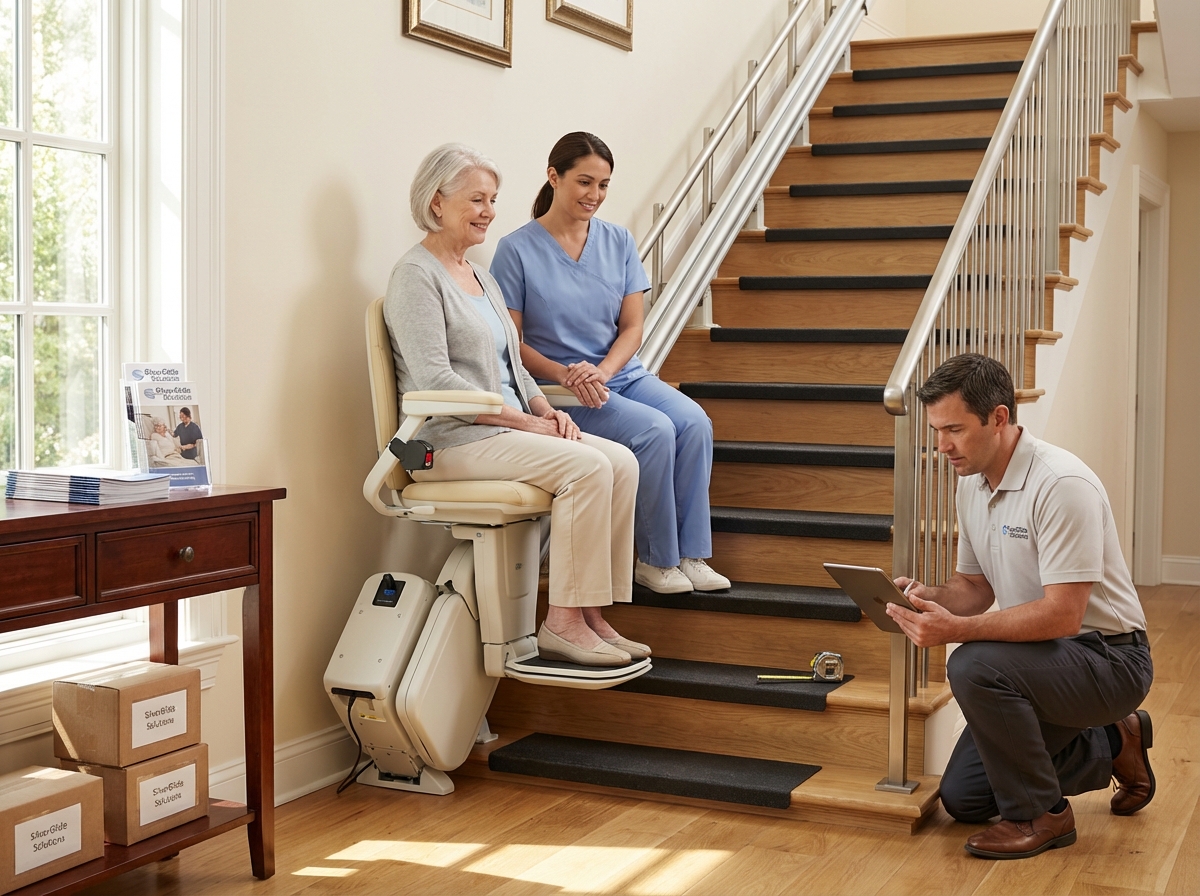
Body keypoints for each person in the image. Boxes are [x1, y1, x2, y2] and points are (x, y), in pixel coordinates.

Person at [384, 142, 648, 667]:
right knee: (589, 468)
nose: (489, 211)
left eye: (493, 199)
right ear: (437, 202)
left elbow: (515, 364)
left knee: (621, 461)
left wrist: (546, 411)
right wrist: (526, 422)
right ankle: (563, 622)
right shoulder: (416, 276)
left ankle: (592, 612)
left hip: (505, 429)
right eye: (476, 199)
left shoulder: (478, 274)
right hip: (445, 443)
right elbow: (437, 381)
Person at [886, 353, 1153, 860]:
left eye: (955, 430)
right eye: (937, 430)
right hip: (1043, 661)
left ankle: (1042, 816)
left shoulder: (1061, 485)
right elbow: (974, 585)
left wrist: (959, 628)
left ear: (1000, 418)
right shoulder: (972, 482)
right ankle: (1117, 741)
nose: (942, 446)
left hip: (1109, 658)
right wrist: (929, 598)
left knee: (972, 662)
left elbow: (1063, 615)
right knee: (966, 798)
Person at [491, 132, 730, 596]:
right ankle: (653, 559)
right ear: (553, 176)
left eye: (603, 185)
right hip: (561, 389)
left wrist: (603, 370)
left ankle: (690, 554)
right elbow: (510, 342)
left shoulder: (618, 240)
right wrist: (566, 374)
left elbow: (633, 329)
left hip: (620, 375)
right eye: (584, 182)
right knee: (654, 432)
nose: (594, 196)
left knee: (694, 422)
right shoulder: (515, 250)